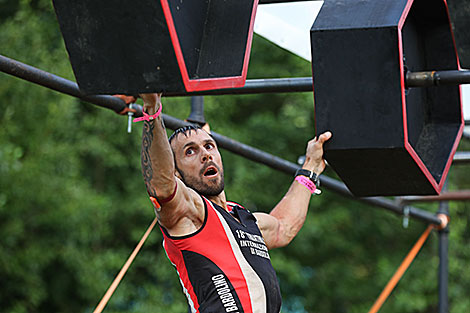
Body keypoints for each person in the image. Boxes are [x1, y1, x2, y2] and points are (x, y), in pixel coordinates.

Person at [139, 93, 331, 313]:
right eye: (190, 151)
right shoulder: (189, 213)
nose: (205, 155)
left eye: (209, 146)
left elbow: (283, 227)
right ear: (176, 174)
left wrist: (311, 166)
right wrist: (152, 109)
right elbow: (162, 185)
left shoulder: (243, 218)